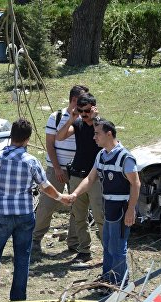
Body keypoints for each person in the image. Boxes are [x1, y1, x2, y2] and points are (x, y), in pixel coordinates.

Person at [0, 119, 73, 302]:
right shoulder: (31, 161)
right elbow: (45, 186)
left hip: (0, 214)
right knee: (22, 257)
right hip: (24, 215)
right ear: (27, 139)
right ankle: (18, 298)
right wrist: (60, 197)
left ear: (11, 136)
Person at [70, 119, 140, 287]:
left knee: (117, 247)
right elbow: (90, 178)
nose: (94, 137)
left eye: (97, 133)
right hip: (108, 208)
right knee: (108, 244)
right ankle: (107, 279)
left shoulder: (125, 157)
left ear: (109, 134)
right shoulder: (101, 155)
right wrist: (74, 194)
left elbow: (136, 184)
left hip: (121, 209)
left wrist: (131, 210)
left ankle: (119, 283)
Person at [32, 85, 88, 255]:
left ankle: (74, 242)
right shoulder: (56, 117)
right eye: (82, 100)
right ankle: (35, 239)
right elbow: (50, 144)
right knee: (47, 205)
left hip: (78, 170)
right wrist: (57, 168)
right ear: (74, 100)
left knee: (77, 207)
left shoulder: (85, 118)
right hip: (56, 168)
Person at [55, 93, 105, 267]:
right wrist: (71, 118)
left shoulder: (102, 125)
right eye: (81, 111)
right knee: (79, 216)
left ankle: (109, 251)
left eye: (86, 111)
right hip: (77, 175)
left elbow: (106, 141)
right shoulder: (77, 123)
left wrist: (96, 118)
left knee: (100, 216)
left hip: (96, 177)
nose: (84, 115)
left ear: (93, 108)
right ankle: (84, 251)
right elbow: (59, 137)